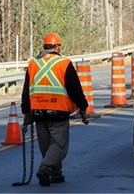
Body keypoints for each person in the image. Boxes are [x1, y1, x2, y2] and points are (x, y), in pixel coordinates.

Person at [21, 32, 89, 186]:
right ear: (58, 47)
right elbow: (75, 89)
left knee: (46, 145)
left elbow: (26, 90)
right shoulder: (64, 63)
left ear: (44, 46)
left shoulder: (33, 64)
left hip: (38, 111)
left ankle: (56, 173)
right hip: (58, 112)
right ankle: (45, 169)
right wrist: (83, 106)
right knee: (59, 145)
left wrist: (27, 112)